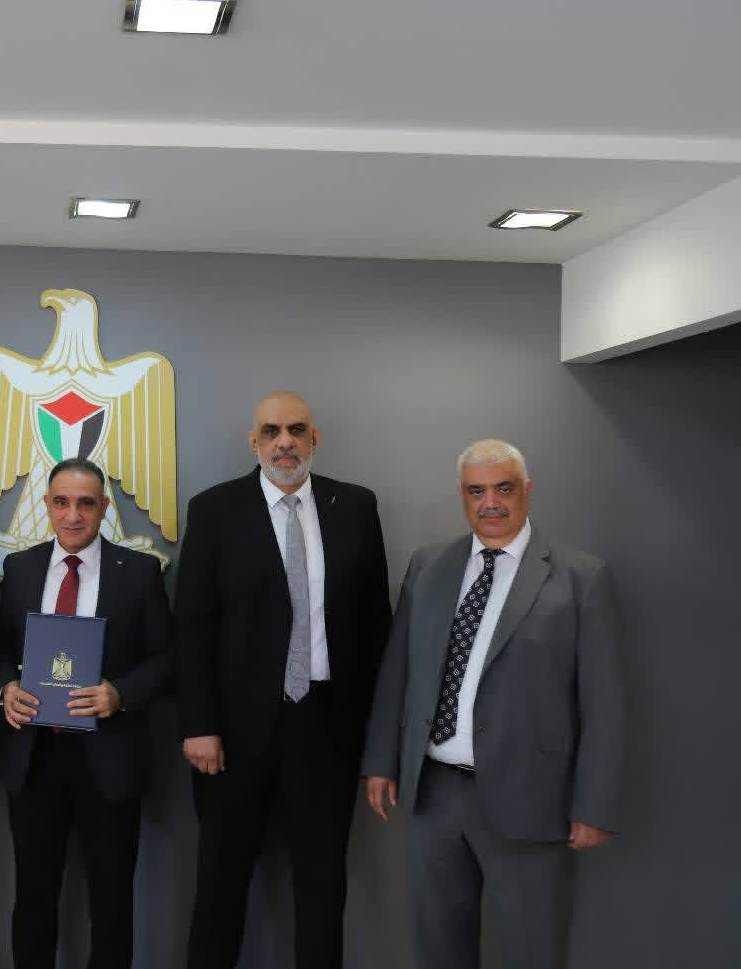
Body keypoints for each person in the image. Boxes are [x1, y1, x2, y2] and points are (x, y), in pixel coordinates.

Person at [362, 439, 624, 969]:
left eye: (504, 489)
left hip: (531, 797)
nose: (491, 503)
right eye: (476, 491)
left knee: (532, 951)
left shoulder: (580, 577)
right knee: (439, 949)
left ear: (527, 490)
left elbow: (604, 703)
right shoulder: (429, 565)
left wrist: (593, 804)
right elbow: (398, 672)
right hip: (435, 795)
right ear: (462, 496)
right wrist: (381, 761)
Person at [173, 390, 391, 969]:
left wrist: (378, 738)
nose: (284, 442)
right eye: (271, 431)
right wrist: (198, 724)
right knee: (220, 884)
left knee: (322, 888)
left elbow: (377, 625)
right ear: (255, 442)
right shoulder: (215, 510)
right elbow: (191, 625)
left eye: (296, 430)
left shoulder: (356, 507)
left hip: (327, 728)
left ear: (314, 439)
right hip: (232, 735)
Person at [0, 458, 173, 969]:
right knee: (33, 896)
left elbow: (168, 659)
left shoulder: (139, 572)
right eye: (61, 502)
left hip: (108, 756)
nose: (72, 515)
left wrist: (121, 693)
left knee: (111, 899)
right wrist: (4, 688)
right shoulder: (20, 568)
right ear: (47, 505)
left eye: (85, 503)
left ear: (102, 507)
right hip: (35, 757)